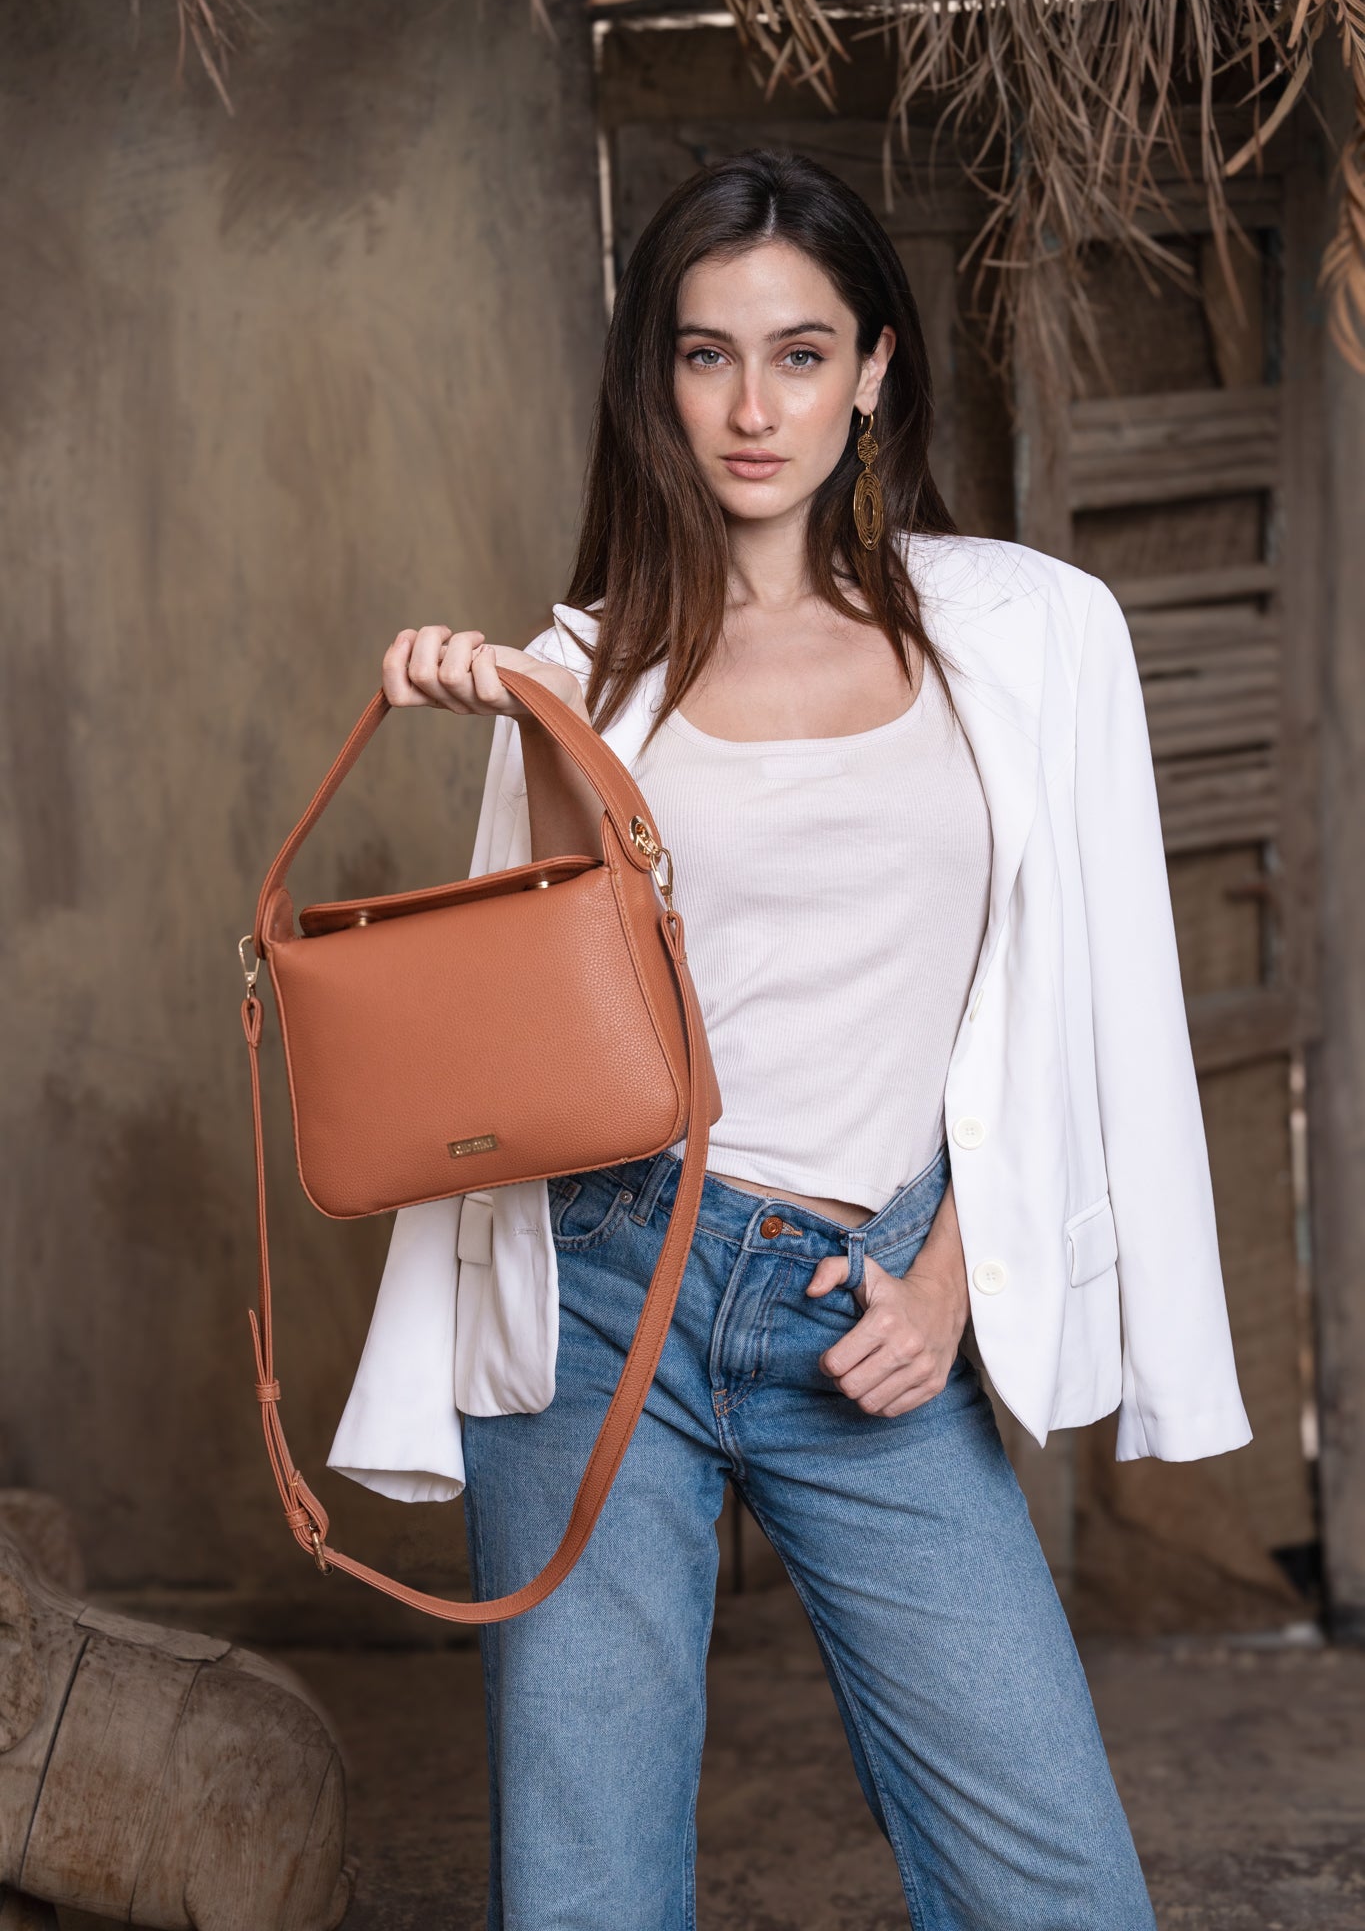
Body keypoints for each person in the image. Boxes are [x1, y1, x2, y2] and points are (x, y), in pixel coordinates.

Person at [327, 149, 1252, 1930]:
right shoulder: (581, 676)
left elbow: (1074, 1006)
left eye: (800, 353)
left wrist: (951, 1281)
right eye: (707, 356)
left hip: (863, 1303)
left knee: (1052, 1881)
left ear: (874, 369)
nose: (753, 410)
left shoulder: (1028, 638)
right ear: (657, 381)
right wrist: (490, 708)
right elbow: (530, 1036)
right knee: (587, 1892)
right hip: (607, 1290)